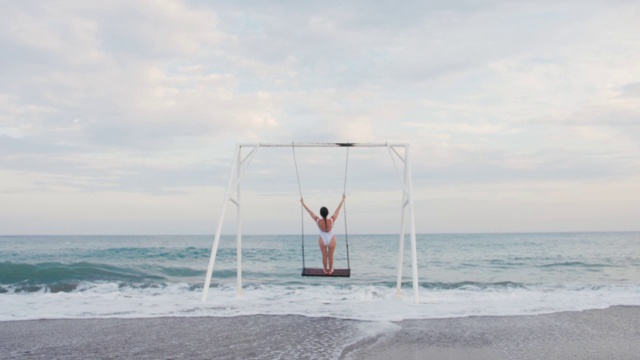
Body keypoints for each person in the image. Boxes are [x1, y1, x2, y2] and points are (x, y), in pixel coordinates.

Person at [300, 194, 346, 275]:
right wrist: (343, 199)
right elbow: (338, 210)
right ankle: (330, 270)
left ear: (320, 214)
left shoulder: (318, 220)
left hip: (322, 239)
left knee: (324, 255)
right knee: (331, 255)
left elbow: (310, 212)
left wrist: (303, 203)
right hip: (331, 238)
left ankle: (325, 270)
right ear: (327, 213)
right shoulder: (331, 220)